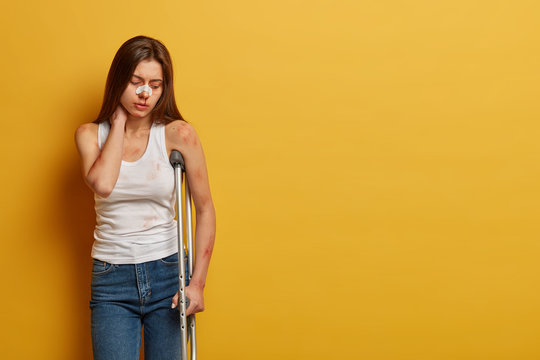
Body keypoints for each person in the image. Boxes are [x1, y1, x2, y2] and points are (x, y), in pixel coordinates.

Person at [75, 35, 216, 359]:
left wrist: (197, 284)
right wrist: (119, 123)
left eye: (155, 84)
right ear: (118, 81)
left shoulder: (178, 134)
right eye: (136, 82)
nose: (144, 93)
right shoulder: (88, 135)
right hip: (112, 278)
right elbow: (104, 184)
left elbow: (205, 208)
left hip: (168, 272)